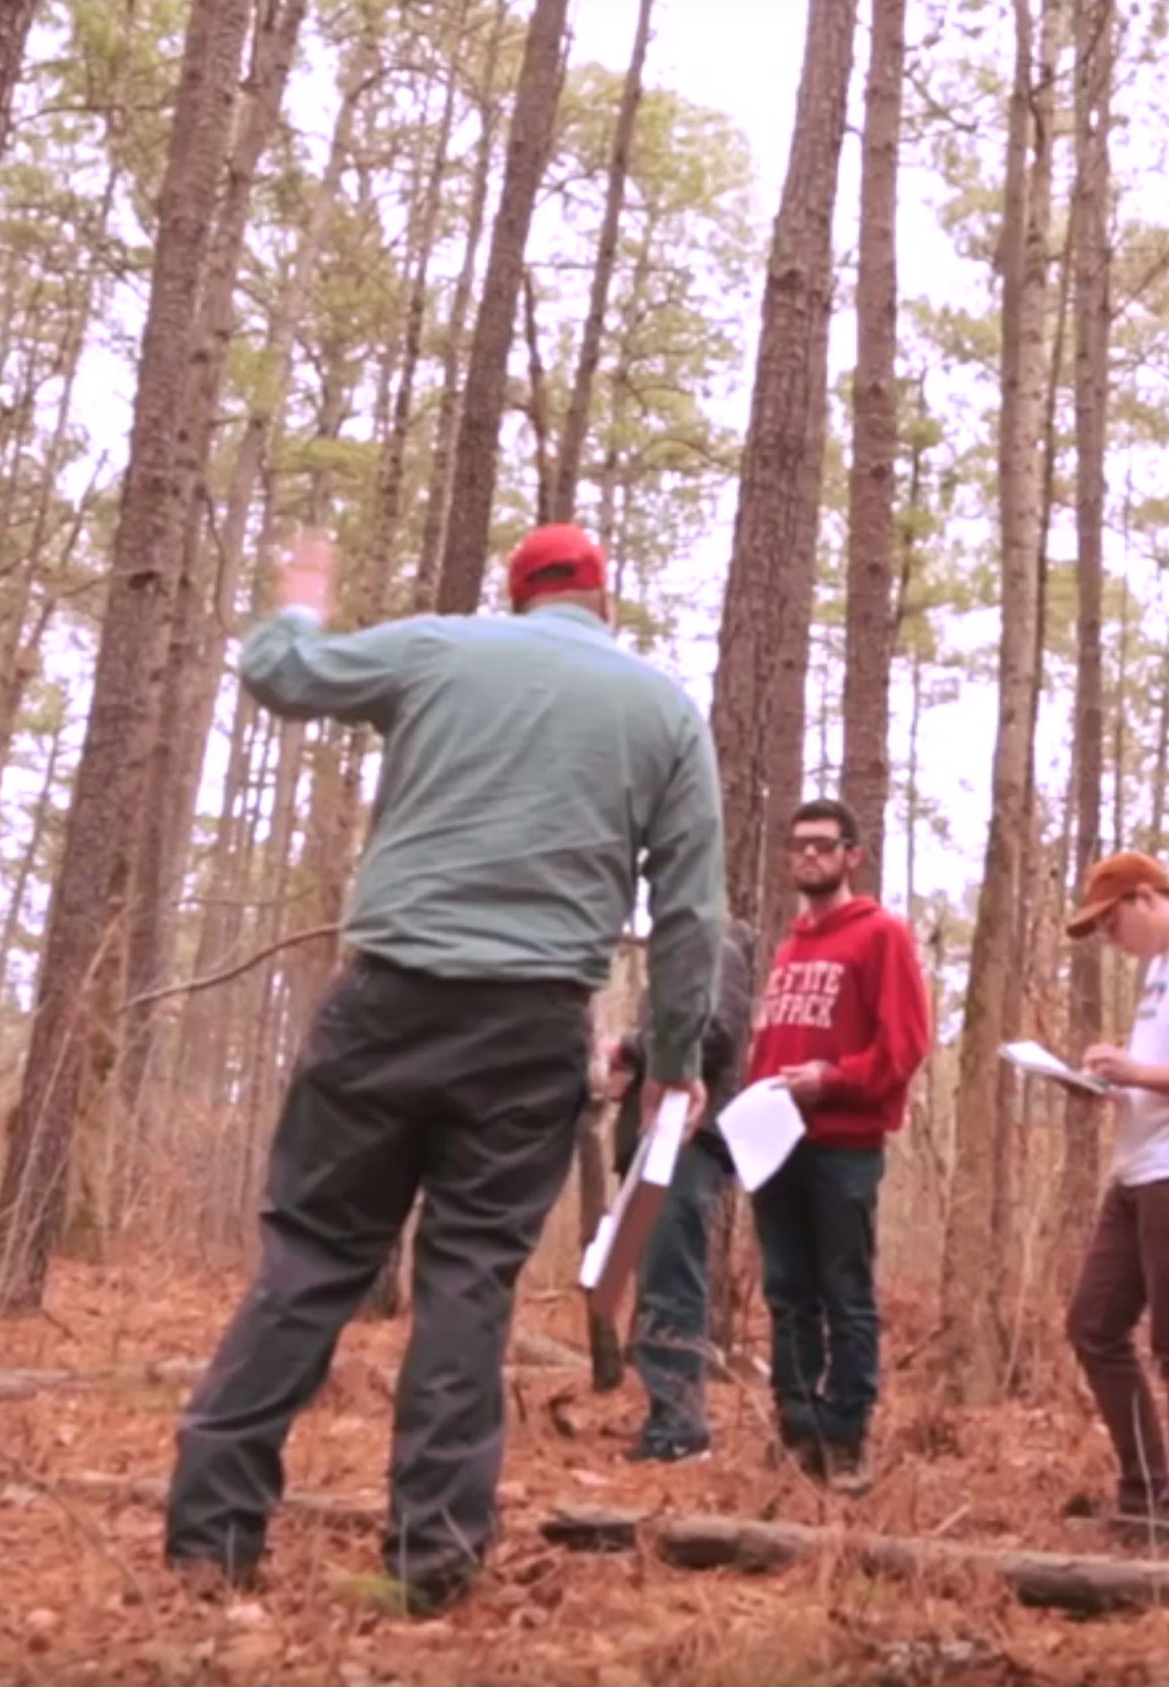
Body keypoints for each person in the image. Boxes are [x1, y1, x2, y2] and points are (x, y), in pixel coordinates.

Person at [165, 523, 723, 1615]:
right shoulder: (661, 709)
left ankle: (209, 1540)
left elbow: (279, 674)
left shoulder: (438, 649)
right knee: (468, 1283)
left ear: (517, 595)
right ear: (602, 599)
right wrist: (673, 1060)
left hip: (388, 1001)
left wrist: (304, 597)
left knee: (313, 1257)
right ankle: (434, 1558)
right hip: (530, 1029)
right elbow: (693, 913)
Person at [745, 797, 933, 1495]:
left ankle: (846, 1433)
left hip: (843, 1142)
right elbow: (771, 1044)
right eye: (799, 845)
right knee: (787, 1292)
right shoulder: (791, 946)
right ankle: (797, 1430)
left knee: (844, 1290)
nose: (810, 856)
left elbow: (905, 1044)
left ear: (852, 854)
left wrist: (832, 1080)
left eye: (824, 844)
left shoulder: (880, 935)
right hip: (775, 1141)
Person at [1062, 853, 1169, 1540]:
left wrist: (1135, 1069)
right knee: (1093, 1324)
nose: (1111, 940)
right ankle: (1143, 1490)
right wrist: (1112, 1082)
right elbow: (1160, 1072)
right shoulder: (1159, 970)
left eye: (1110, 923)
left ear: (1143, 898)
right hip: (1135, 1170)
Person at [606, 918, 760, 1464]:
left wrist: (630, 1046)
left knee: (674, 1277)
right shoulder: (678, 952)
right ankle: (665, 1417)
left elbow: (713, 1033)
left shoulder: (716, 944)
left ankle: (681, 1430)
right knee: (657, 1278)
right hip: (661, 1138)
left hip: (688, 1138)